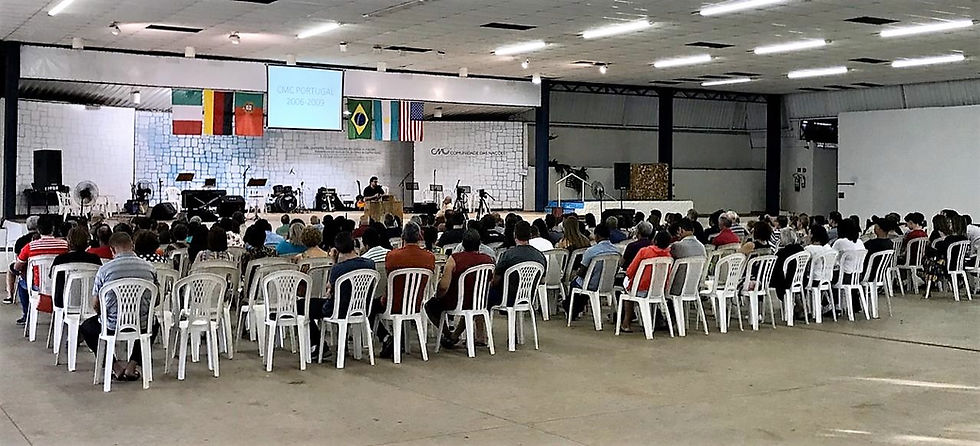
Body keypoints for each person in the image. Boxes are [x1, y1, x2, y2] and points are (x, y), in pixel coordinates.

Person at [80, 232, 158, 381]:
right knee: (154, 324)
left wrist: (103, 315)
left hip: (112, 324)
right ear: (132, 246)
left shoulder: (104, 270)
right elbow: (157, 299)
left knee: (87, 327)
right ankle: (132, 365)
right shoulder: (150, 268)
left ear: (112, 250)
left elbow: (96, 304)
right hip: (141, 323)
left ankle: (115, 367)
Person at [426, 229, 495, 348]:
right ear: (479, 244)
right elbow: (491, 281)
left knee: (430, 306)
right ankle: (454, 336)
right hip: (479, 302)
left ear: (462, 244)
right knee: (469, 306)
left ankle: (448, 334)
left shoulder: (454, 259)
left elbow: (444, 286)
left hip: (456, 301)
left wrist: (438, 295)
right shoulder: (488, 260)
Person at [377, 222, 435, 357]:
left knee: (369, 307)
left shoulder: (392, 256)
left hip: (392, 302)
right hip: (416, 303)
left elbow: (388, 277)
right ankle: (394, 339)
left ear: (403, 237)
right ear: (420, 237)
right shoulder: (429, 257)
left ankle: (385, 337)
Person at [14, 216, 69, 324]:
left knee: (21, 281)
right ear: (53, 229)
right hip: (62, 286)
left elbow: (17, 267)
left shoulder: (30, 246)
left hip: (38, 287)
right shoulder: (65, 245)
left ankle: (26, 315)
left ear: (38, 230)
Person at [620, 231, 673, 333]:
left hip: (641, 289)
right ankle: (653, 321)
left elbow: (630, 271)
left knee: (627, 294)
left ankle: (626, 323)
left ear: (655, 240)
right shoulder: (668, 255)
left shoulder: (644, 252)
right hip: (658, 291)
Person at [563, 223, 618, 319]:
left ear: (597, 236)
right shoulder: (616, 251)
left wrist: (577, 274)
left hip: (591, 284)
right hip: (608, 284)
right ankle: (575, 307)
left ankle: (571, 309)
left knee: (576, 283)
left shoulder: (591, 251)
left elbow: (582, 271)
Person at [490, 222, 546, 309]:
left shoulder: (507, 255)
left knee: (484, 294)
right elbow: (542, 280)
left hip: (507, 298)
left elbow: (495, 280)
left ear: (514, 235)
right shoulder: (540, 256)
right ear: (530, 235)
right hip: (529, 297)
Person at [51, 227, 103, 310]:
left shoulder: (60, 260)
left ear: (68, 241)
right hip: (89, 302)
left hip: (63, 302)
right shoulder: (95, 259)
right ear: (87, 242)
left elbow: (52, 277)